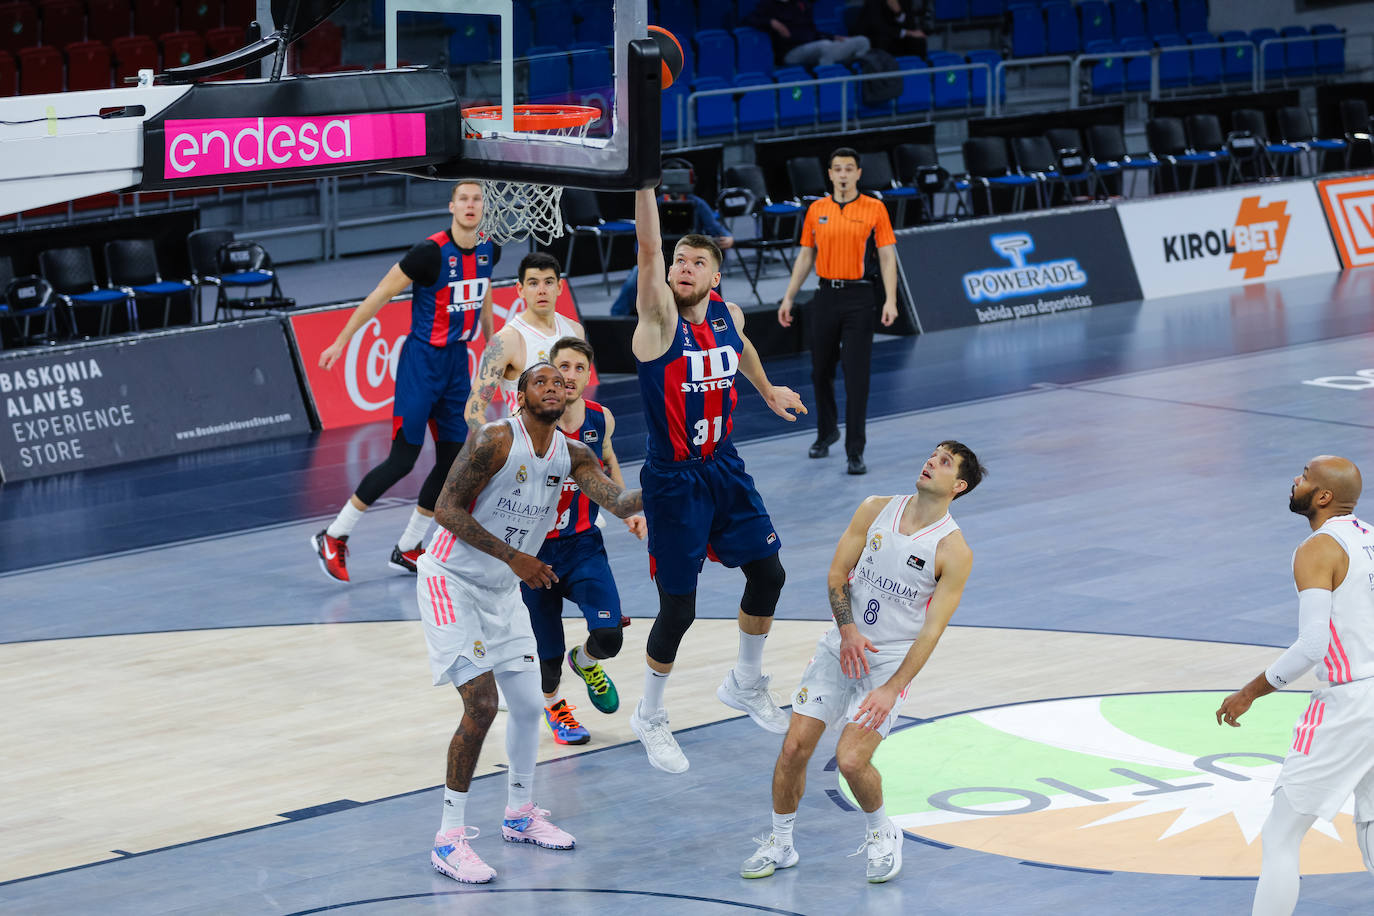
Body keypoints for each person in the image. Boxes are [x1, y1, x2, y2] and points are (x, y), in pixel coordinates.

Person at [422, 362, 643, 884]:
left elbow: (619, 501)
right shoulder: (494, 440)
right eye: (541, 380)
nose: (554, 387)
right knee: (481, 705)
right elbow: (444, 510)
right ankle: (448, 839)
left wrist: (672, 473)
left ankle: (519, 814)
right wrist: (514, 558)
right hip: (450, 579)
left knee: (526, 705)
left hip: (501, 590)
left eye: (562, 383)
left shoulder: (574, 453)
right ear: (520, 394)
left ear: (572, 397)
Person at [741, 441, 981, 884]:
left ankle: (882, 832)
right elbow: (836, 575)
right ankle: (780, 843)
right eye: (932, 454)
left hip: (888, 664)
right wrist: (848, 631)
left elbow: (931, 632)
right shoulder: (875, 509)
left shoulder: (953, 550)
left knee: (851, 760)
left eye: (944, 462)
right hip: (840, 646)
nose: (930, 461)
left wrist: (892, 689)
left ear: (958, 485)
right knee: (794, 748)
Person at [628, 185, 808, 774]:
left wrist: (768, 389)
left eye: (697, 261)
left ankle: (745, 681)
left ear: (716, 276)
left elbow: (745, 347)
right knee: (678, 608)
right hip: (674, 479)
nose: (683, 267)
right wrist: (643, 183)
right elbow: (649, 248)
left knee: (770, 572)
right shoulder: (657, 323)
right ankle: (650, 716)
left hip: (724, 465)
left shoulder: (728, 316)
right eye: (680, 260)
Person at [312, 181, 497, 582]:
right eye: (463, 199)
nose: (470, 205)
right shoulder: (429, 253)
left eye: (476, 199)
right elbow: (380, 293)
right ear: (451, 206)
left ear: (484, 206)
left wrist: (493, 342)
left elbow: (483, 295)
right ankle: (334, 534)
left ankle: (409, 545)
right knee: (403, 459)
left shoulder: (488, 248)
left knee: (450, 463)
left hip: (456, 366)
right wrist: (341, 341)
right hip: (421, 365)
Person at [1216, 455, 1374, 916]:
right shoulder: (1370, 539)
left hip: (1350, 702)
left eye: (1304, 476)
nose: (1295, 480)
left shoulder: (1318, 549)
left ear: (1323, 497)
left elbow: (1311, 646)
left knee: (1280, 836)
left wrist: (1249, 692)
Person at [523, 336, 647, 745]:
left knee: (610, 635)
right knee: (548, 651)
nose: (571, 376)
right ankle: (555, 705)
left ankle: (587, 661)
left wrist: (628, 508)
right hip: (534, 554)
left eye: (579, 367)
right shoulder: (527, 424)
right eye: (563, 368)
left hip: (582, 544)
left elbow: (608, 460)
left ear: (589, 374)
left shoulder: (600, 418)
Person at [778, 147, 898, 477]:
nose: (843, 174)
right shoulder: (817, 209)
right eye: (837, 169)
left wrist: (890, 299)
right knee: (820, 371)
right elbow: (805, 256)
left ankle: (855, 450)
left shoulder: (875, 209)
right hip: (825, 296)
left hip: (860, 297)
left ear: (859, 173)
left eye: (849, 169)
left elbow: (887, 257)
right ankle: (826, 431)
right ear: (829, 174)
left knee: (856, 376)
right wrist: (788, 297)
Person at [465, 252, 584, 427]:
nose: (542, 290)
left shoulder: (575, 331)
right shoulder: (506, 341)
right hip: (527, 447)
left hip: (568, 442)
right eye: (533, 283)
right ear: (521, 290)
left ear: (559, 287)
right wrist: (497, 448)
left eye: (548, 282)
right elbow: (473, 412)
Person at [610, 191, 734, 317]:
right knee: (637, 274)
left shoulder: (697, 203)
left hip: (690, 258)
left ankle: (713, 316)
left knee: (708, 274)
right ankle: (618, 318)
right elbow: (641, 241)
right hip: (660, 258)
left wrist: (728, 237)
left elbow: (716, 228)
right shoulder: (656, 204)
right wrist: (647, 260)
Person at [746, 0, 872, 69]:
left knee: (862, 41)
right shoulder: (768, 5)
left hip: (815, 45)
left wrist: (834, 37)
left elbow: (812, 32)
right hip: (790, 53)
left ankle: (854, 72)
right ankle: (827, 82)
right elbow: (748, 19)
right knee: (825, 46)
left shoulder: (800, 5)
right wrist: (772, 22)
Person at [857, 0, 928, 59]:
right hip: (876, 38)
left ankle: (921, 71)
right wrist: (906, 32)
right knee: (882, 39)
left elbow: (910, 25)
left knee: (919, 40)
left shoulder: (904, 1)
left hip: (897, 36)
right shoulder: (873, 2)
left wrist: (898, 13)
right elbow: (877, 28)